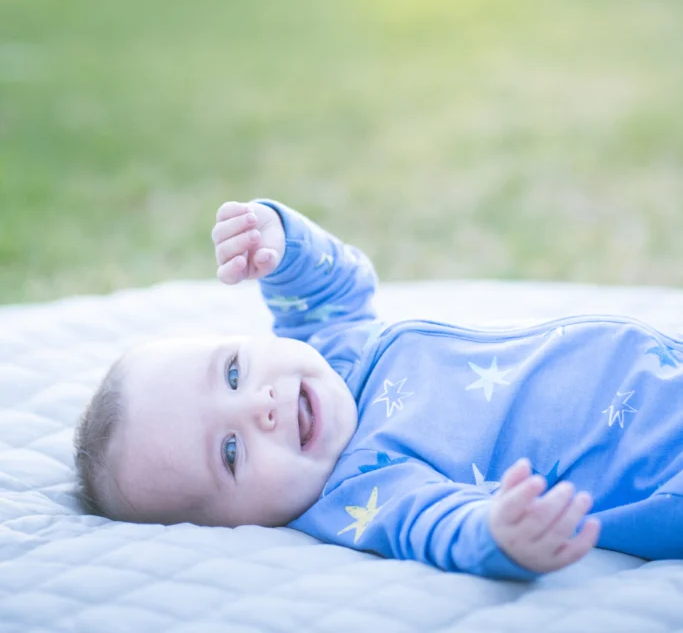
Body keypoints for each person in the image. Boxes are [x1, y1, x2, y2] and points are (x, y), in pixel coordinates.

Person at [74, 199, 683, 580]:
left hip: (656, 368)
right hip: (655, 468)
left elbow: (327, 285)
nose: (258, 406)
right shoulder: (361, 490)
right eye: (230, 452)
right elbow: (434, 525)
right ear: (239, 526)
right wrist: (499, 535)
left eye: (233, 372)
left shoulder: (331, 353)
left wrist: (277, 238)